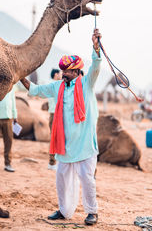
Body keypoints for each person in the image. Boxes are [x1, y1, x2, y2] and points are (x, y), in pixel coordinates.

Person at [20, 29, 102, 225]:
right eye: (63, 70)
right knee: (62, 179)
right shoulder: (57, 87)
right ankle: (65, 211)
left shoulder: (86, 85)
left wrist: (96, 46)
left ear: (76, 72)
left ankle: (92, 212)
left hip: (84, 144)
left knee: (87, 179)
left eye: (67, 71)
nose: (64, 73)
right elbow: (36, 90)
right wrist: (20, 74)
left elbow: (96, 67)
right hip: (64, 145)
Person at [0, 85, 17, 173]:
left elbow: (13, 102)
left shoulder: (12, 87)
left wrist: (15, 116)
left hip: (8, 117)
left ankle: (8, 164)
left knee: (8, 142)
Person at [48, 69, 62, 170]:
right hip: (54, 114)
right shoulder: (55, 85)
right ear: (56, 74)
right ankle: (52, 162)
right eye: (60, 74)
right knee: (54, 138)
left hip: (56, 114)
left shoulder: (54, 85)